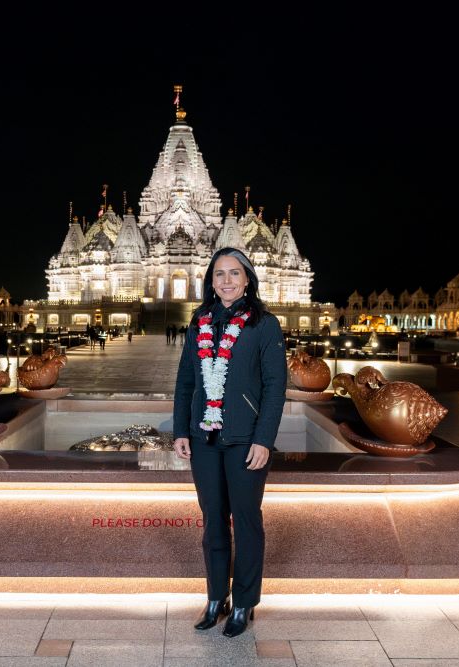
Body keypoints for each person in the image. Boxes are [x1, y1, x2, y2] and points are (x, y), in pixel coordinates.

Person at [172, 247, 286, 638]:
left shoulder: (264, 325)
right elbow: (186, 380)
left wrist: (264, 440)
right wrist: (181, 430)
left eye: (234, 274)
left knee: (247, 521)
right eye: (219, 274)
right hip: (204, 438)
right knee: (213, 521)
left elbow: (275, 387)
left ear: (248, 279)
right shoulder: (199, 321)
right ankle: (215, 598)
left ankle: (244, 602)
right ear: (211, 280)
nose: (226, 281)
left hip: (244, 439)